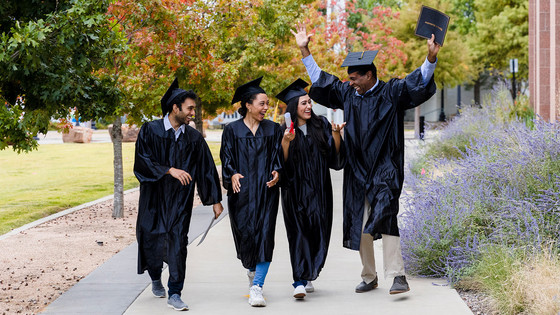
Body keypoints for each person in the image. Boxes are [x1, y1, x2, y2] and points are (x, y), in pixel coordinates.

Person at [292, 22, 440, 294]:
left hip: (385, 168)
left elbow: (417, 80)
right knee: (360, 225)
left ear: (369, 75)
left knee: (387, 218)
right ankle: (369, 276)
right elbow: (324, 81)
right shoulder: (349, 94)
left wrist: (430, 58)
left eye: (355, 78)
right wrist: (305, 51)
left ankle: (397, 276)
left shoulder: (392, 93)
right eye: (349, 79)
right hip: (358, 169)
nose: (351, 83)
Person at [134, 78, 224, 311]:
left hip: (179, 201)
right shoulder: (150, 130)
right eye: (190, 108)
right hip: (153, 197)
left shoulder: (193, 138)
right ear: (175, 108)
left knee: (177, 243)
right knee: (150, 239)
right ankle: (155, 276)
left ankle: (175, 292)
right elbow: (142, 162)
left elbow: (206, 168)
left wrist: (214, 200)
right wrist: (169, 170)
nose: (193, 112)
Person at [277, 78, 345, 299]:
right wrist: (287, 141)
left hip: (319, 189)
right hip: (294, 190)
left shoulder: (321, 124)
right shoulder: (283, 131)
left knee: (318, 232)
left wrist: (336, 134)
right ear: (293, 107)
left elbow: (334, 159)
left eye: (309, 102)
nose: (308, 107)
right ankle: (298, 280)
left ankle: (308, 274)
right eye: (303, 103)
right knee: (298, 234)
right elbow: (281, 163)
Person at [220, 77, 283, 307]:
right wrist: (232, 173)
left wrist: (277, 171)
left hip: (266, 193)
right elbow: (226, 158)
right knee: (246, 238)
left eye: (267, 104)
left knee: (265, 237)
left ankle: (257, 286)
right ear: (248, 104)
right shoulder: (231, 130)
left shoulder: (273, 129)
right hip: (242, 195)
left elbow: (278, 157)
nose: (266, 108)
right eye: (262, 104)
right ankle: (251, 270)